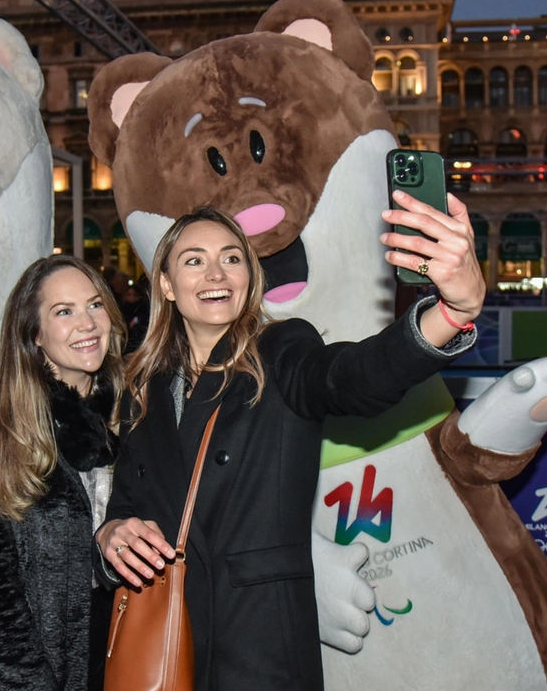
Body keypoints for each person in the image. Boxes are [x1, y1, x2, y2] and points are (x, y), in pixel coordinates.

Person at [95, 191, 485, 691]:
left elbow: (354, 377)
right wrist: (109, 538)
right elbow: (127, 504)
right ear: (167, 285)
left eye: (231, 259)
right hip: (167, 644)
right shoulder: (142, 389)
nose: (216, 274)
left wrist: (451, 313)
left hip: (261, 651)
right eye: (195, 261)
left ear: (248, 278)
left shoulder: (280, 353)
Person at [0, 255, 127, 691]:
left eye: (94, 305)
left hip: (124, 651)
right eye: (64, 312)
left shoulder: (136, 412)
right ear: (34, 334)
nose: (87, 323)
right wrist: (28, 682)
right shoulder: (2, 421)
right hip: (32, 668)